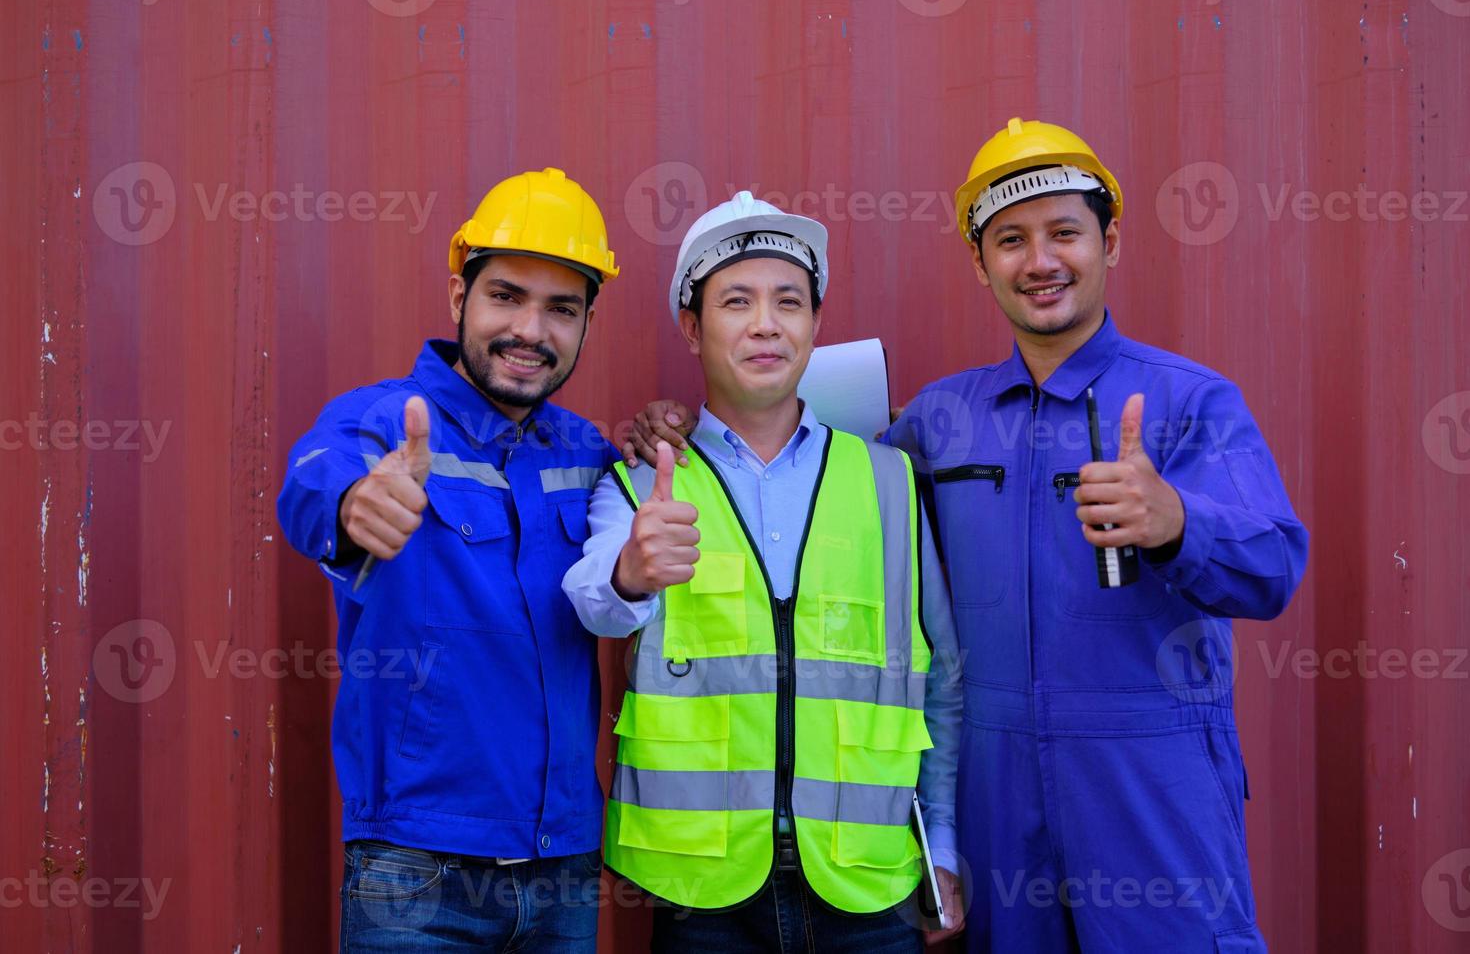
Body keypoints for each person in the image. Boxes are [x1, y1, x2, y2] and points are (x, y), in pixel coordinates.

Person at [624, 120, 1309, 952]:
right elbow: (786, 446)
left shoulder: (1191, 402)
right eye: (1010, 241)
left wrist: (1177, 524)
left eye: (1065, 233)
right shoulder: (941, 420)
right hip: (997, 792)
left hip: (1149, 781)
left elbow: (1274, 565)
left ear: (1111, 241)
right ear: (982, 264)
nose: (1041, 261)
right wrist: (670, 426)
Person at [562, 192, 965, 952]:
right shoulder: (643, 483)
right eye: (736, 302)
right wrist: (630, 573)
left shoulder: (889, 482)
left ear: (814, 324)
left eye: (788, 301)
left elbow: (939, 678)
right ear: (692, 326)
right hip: (703, 895)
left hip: (869, 885)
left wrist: (939, 842)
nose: (765, 324)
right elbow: (593, 602)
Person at [277, 168, 621, 953]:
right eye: (506, 295)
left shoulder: (586, 452)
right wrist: (352, 505)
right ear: (459, 298)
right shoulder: (386, 421)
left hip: (563, 864)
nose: (531, 329)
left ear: (586, 325)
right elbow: (310, 479)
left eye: (561, 308)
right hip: (417, 873)